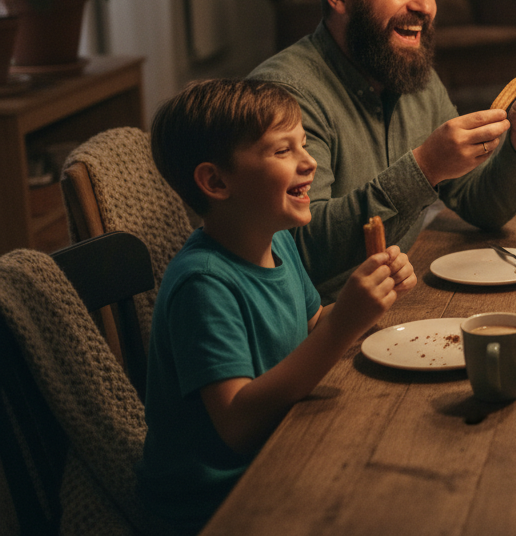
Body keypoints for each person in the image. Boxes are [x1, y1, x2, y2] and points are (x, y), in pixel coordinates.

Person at [137, 79, 416, 534]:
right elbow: (237, 426)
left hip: (283, 444)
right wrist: (344, 321)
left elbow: (310, 329)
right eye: (282, 151)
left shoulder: (278, 241)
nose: (310, 163)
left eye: (303, 144)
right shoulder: (203, 283)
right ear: (215, 181)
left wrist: (367, 304)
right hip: (215, 502)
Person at [249, 0, 516, 300]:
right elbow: (300, 251)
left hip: (400, 295)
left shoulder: (412, 73)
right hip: (318, 323)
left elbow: (478, 204)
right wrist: (425, 167)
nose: (425, 6)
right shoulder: (282, 94)